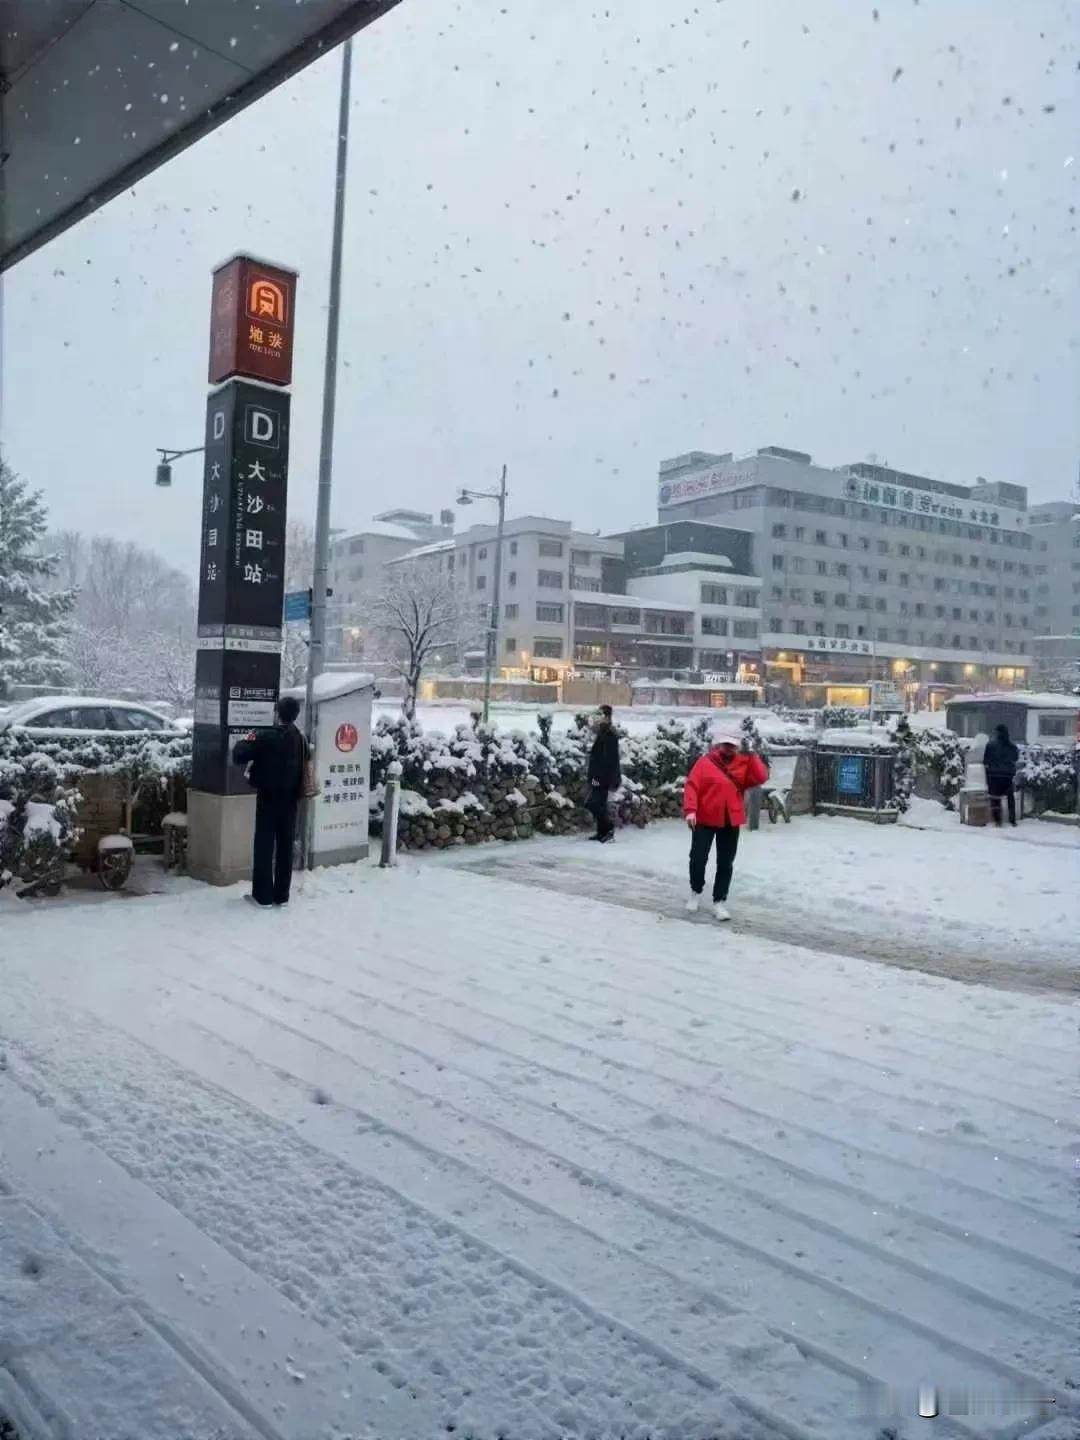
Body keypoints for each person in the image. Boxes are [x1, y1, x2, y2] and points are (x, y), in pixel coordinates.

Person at [683, 729, 768, 921]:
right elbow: (692, 785)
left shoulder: (744, 764)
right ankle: (695, 891)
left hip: (730, 819)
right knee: (697, 857)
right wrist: (690, 810)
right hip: (705, 817)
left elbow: (761, 777)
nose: (729, 748)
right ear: (719, 745)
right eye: (726, 744)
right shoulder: (705, 762)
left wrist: (752, 754)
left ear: (737, 746)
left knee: (725, 862)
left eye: (732, 745)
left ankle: (719, 901)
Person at [233, 695, 309, 907]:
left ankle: (263, 896)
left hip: (268, 799)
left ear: (277, 713)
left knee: (265, 845)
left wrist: (247, 738)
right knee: (285, 846)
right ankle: (281, 896)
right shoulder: (300, 738)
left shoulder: (266, 736)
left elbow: (238, 754)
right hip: (291, 799)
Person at [586, 704, 621, 842]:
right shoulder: (603, 732)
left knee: (594, 804)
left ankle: (608, 829)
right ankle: (602, 832)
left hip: (602, 778)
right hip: (599, 776)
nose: (597, 719)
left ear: (607, 717)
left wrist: (597, 778)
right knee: (598, 804)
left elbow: (608, 760)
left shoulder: (609, 734)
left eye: (601, 716)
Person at [983, 722, 1019, 827]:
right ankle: (1012, 820)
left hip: (993, 776)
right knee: (1010, 798)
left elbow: (985, 761)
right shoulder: (1012, 746)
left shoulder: (990, 746)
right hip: (1007, 777)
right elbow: (1015, 758)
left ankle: (998, 820)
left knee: (995, 798)